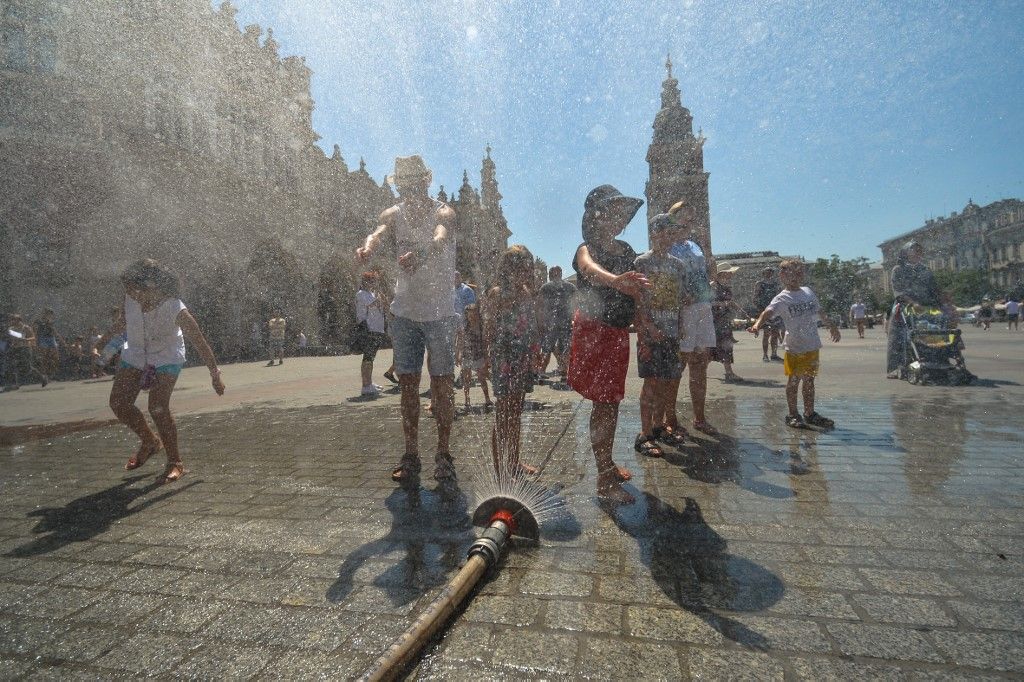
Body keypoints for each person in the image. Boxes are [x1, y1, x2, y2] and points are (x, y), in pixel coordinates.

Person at [356, 155, 458, 483]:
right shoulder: (393, 213)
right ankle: (411, 454)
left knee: (442, 385)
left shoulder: (443, 211)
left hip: (440, 313)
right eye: (404, 182)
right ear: (398, 183)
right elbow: (378, 231)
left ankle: (443, 454)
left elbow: (441, 237)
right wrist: (367, 247)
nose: (410, 187)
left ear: (427, 180)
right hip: (404, 313)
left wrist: (424, 253)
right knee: (408, 387)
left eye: (415, 181)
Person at [105, 259, 224, 483]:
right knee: (118, 403)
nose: (130, 293)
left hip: (166, 355)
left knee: (157, 407)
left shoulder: (174, 308)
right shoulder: (131, 297)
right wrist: (101, 343)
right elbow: (124, 321)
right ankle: (150, 441)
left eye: (134, 288)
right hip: (137, 352)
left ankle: (175, 462)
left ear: (152, 287)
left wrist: (214, 374)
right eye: (127, 289)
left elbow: (199, 341)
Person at [568, 185, 650, 504]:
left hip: (617, 332)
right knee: (603, 401)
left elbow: (638, 292)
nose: (618, 218)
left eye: (621, 213)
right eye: (612, 212)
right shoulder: (584, 248)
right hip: (594, 330)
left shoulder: (627, 250)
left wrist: (643, 328)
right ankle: (603, 478)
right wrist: (616, 281)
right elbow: (589, 269)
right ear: (596, 217)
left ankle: (607, 463)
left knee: (611, 401)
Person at [749, 259, 841, 429]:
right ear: (782, 275)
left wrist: (832, 326)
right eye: (792, 272)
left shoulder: (808, 292)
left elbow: (819, 311)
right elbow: (767, 312)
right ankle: (792, 414)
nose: (797, 276)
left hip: (812, 344)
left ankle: (809, 413)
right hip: (795, 346)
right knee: (794, 381)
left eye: (800, 272)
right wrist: (757, 325)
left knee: (809, 380)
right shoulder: (782, 297)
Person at [632, 214, 690, 459]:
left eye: (670, 232)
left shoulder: (678, 265)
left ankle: (659, 426)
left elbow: (680, 299)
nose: (666, 237)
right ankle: (644, 435)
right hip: (649, 334)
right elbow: (637, 297)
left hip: (671, 331)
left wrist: (681, 324)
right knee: (652, 382)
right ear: (653, 234)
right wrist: (647, 325)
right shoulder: (641, 262)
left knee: (668, 380)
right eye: (662, 232)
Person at [486, 245, 541, 480]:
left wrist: (536, 351)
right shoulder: (497, 293)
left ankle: (514, 461)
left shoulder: (527, 292)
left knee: (516, 410)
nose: (527, 272)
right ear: (510, 269)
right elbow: (489, 328)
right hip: (504, 358)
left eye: (529, 267)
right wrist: (488, 360)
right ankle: (500, 469)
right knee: (503, 411)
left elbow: (531, 323)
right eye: (523, 267)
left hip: (523, 356)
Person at [668, 200, 719, 435]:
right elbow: (664, 278)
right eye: (684, 215)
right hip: (683, 309)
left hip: (702, 306)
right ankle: (671, 419)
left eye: (691, 216)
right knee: (680, 364)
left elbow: (710, 271)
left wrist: (708, 253)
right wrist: (679, 298)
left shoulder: (695, 245)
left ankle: (699, 417)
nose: (689, 220)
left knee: (701, 362)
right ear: (673, 217)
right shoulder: (667, 246)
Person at [887, 241, 937, 377]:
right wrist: (913, 302)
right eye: (914, 250)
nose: (917, 253)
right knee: (899, 336)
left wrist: (942, 300)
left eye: (919, 250)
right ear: (906, 253)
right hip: (905, 307)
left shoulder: (925, 269)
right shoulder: (898, 269)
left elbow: (934, 290)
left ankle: (936, 360)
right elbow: (898, 291)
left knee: (935, 330)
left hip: (925, 308)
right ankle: (896, 367)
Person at [537, 265, 577, 379]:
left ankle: (541, 371)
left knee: (546, 348)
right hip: (566, 322)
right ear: (560, 274)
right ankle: (564, 372)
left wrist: (540, 322)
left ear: (550, 275)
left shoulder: (545, 287)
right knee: (564, 347)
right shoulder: (570, 286)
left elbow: (539, 306)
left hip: (550, 323)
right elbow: (576, 303)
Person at [355, 272, 388, 397]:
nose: (375, 284)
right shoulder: (361, 294)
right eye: (373, 281)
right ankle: (365, 385)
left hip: (376, 329)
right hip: (369, 329)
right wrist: (379, 293)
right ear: (366, 282)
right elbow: (375, 303)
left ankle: (369, 382)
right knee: (367, 358)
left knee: (371, 358)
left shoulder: (371, 294)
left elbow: (384, 304)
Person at [711, 263, 744, 383]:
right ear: (722, 273)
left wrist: (741, 310)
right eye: (729, 272)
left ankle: (728, 372)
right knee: (721, 346)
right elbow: (707, 303)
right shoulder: (713, 286)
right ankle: (729, 373)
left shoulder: (726, 286)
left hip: (724, 321)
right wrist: (723, 304)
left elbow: (730, 301)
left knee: (723, 347)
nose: (731, 274)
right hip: (715, 321)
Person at [460, 303, 491, 409]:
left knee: (482, 378)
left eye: (473, 315)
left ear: (478, 315)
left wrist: (487, 357)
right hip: (466, 355)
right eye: (469, 315)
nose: (471, 317)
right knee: (466, 379)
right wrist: (458, 354)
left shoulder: (481, 327)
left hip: (478, 355)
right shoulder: (464, 326)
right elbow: (460, 340)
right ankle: (467, 399)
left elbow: (485, 343)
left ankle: (487, 398)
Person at [6, 314, 48, 388]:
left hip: (25, 348)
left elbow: (33, 338)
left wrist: (25, 339)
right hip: (16, 349)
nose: (12, 321)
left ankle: (42, 378)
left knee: (28, 367)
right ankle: (17, 384)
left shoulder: (26, 328)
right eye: (12, 320)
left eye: (14, 320)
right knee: (16, 366)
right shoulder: (10, 329)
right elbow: (13, 339)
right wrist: (13, 342)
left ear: (19, 320)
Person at [753, 267, 783, 361]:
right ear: (763, 273)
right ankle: (765, 355)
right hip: (764, 310)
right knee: (766, 334)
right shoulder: (760, 284)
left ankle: (774, 354)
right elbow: (755, 298)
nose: (769, 273)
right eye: (767, 272)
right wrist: (760, 310)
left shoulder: (775, 284)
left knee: (775, 333)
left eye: (770, 272)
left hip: (774, 311)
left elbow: (779, 297)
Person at [33, 308, 62, 378]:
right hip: (43, 338)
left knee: (55, 357)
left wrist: (61, 340)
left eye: (51, 314)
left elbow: (54, 331)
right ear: (45, 314)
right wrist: (35, 342)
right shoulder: (39, 321)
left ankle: (53, 372)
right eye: (49, 314)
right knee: (44, 357)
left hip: (51, 338)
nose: (50, 316)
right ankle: (44, 374)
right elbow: (35, 331)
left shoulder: (50, 321)